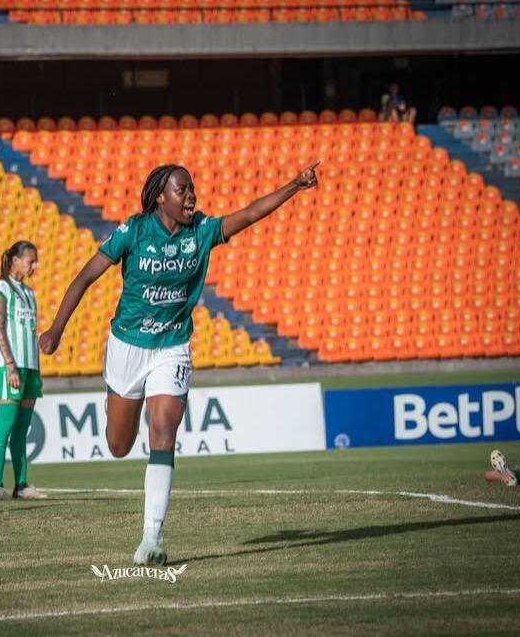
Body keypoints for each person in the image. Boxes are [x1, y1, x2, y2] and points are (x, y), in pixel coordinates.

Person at [39, 160, 320, 564]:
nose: (191, 196)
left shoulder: (202, 232)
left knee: (163, 433)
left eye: (192, 189)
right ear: (160, 197)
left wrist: (294, 184)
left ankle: (151, 539)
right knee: (118, 446)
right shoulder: (132, 232)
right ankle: (116, 405)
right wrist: (55, 330)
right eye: (182, 190)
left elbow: (251, 213)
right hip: (127, 347)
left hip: (172, 347)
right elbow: (84, 278)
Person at [0, 240, 47, 500]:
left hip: (30, 367)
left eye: (35, 261)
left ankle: (21, 485)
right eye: (30, 260)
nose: (34, 265)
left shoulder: (30, 293)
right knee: (6, 424)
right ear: (15, 261)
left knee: (23, 428)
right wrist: (10, 365)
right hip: (10, 366)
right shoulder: (1, 288)